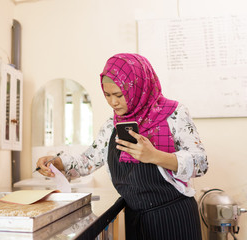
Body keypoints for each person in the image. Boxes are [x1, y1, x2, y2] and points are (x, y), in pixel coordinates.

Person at [36, 53, 208, 240]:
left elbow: (201, 163)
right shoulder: (113, 125)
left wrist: (154, 156)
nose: (113, 102)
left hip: (173, 218)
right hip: (136, 219)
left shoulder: (173, 114)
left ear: (139, 89)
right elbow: (88, 160)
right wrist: (58, 162)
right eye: (107, 95)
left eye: (119, 95)